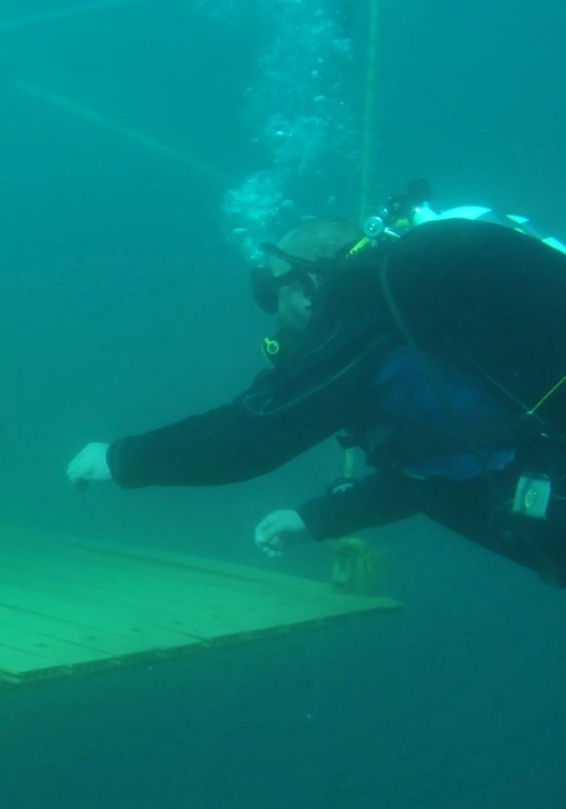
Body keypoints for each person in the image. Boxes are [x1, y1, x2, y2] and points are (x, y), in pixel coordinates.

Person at [65, 209, 566, 587]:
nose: (274, 317)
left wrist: (120, 459)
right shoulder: (414, 328)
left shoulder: (365, 309)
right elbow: (430, 473)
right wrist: (318, 520)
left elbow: (252, 437)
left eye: (270, 294)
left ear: (306, 286)